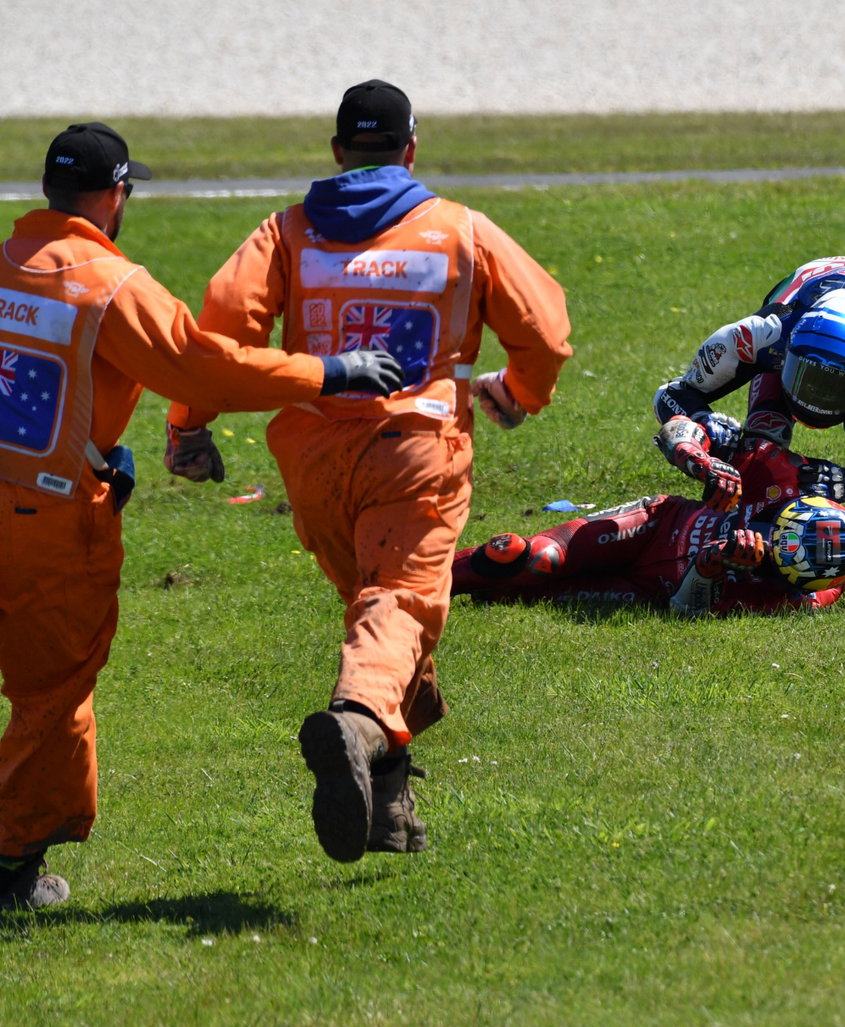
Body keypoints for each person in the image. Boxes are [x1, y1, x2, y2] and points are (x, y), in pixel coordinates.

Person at [163, 81, 573, 864]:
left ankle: (390, 806)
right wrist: (521, 394)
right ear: (411, 149)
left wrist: (189, 426)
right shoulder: (461, 231)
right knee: (402, 605)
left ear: (337, 152)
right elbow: (546, 334)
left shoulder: (287, 233)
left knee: (377, 612)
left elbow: (218, 329)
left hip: (313, 459)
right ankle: (355, 721)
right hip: (416, 451)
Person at [0, 122, 404, 910]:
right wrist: (327, 370)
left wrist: (97, 448)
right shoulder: (109, 284)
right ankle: (11, 861)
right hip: (45, 527)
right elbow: (200, 361)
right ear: (115, 195)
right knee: (51, 696)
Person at [652, 255, 845, 602]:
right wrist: (707, 426)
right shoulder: (756, 335)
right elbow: (672, 395)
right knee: (762, 441)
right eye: (809, 378)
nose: (820, 399)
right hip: (787, 360)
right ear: (789, 349)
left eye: (837, 387)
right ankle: (745, 550)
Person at [453, 435, 845, 615]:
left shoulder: (802, 598)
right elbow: (676, 422)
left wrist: (709, 566)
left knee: (509, 596)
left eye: (771, 557)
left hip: (651, 591)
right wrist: (699, 459)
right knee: (528, 558)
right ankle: (410, 581)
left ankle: (412, 598)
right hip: (656, 525)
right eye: (771, 530)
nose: (762, 542)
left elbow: (686, 611)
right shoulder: (782, 475)